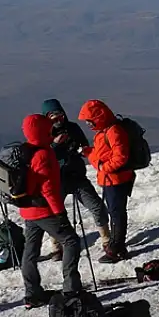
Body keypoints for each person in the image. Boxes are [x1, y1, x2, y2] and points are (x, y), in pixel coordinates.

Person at [17, 114, 83, 308]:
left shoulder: (25, 150)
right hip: (44, 210)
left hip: (28, 209)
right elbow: (49, 189)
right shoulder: (44, 154)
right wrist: (60, 213)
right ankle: (71, 289)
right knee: (71, 241)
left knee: (30, 251)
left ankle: (32, 294)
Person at [41, 99, 111, 261]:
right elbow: (42, 156)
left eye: (60, 116)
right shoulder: (45, 134)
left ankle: (106, 240)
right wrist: (55, 145)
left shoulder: (72, 128)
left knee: (97, 206)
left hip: (76, 176)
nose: (58, 120)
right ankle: (57, 246)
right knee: (54, 213)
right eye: (53, 117)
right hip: (57, 179)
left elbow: (85, 146)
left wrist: (78, 149)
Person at [77, 99, 136, 263]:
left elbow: (120, 157)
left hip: (116, 180)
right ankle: (117, 246)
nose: (88, 124)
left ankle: (117, 248)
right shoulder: (105, 130)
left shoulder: (113, 131)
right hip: (110, 179)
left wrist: (104, 167)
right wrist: (89, 152)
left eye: (90, 120)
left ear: (98, 117)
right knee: (115, 212)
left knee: (117, 214)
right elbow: (102, 153)